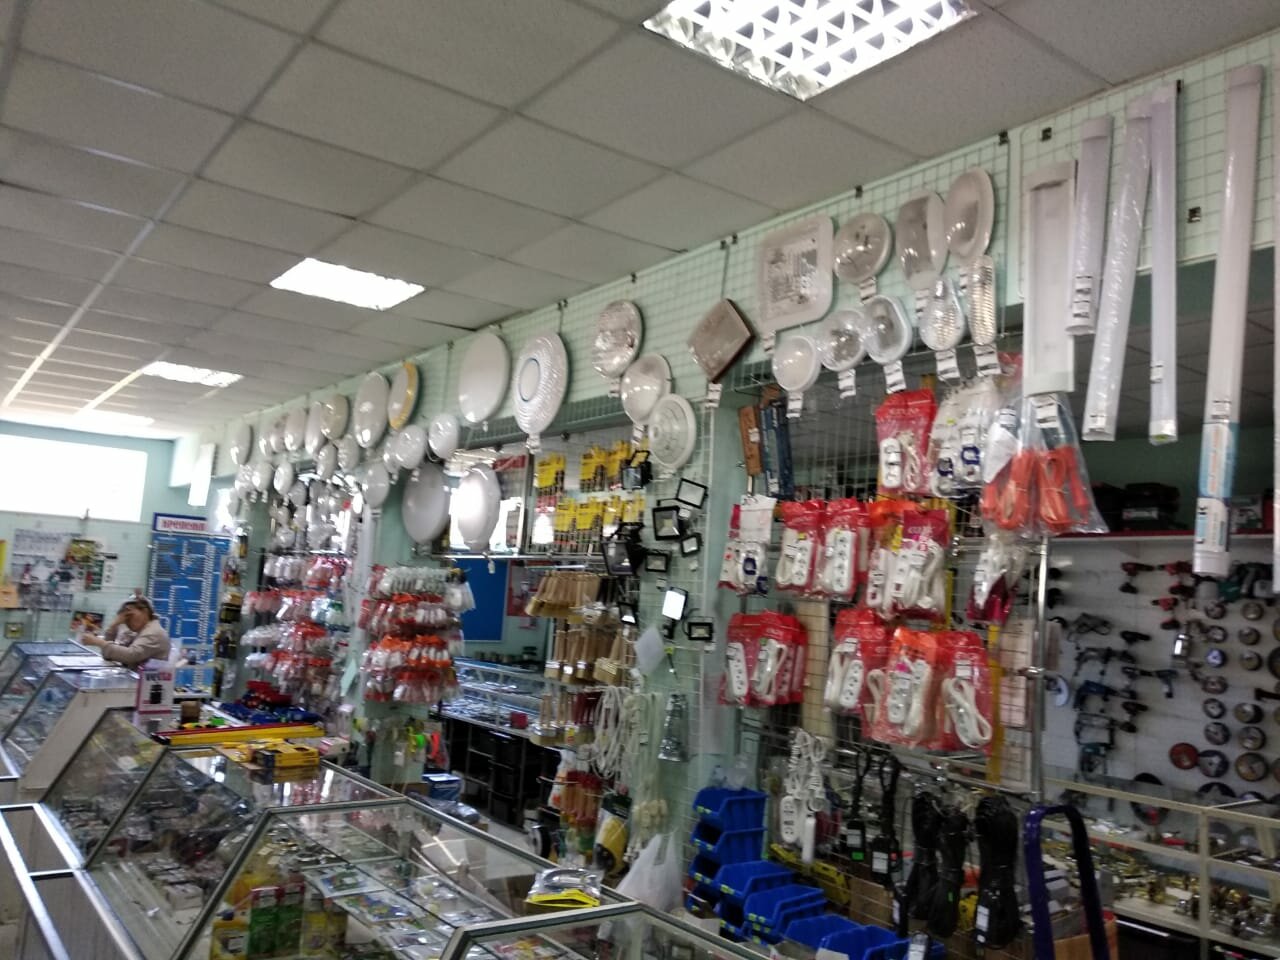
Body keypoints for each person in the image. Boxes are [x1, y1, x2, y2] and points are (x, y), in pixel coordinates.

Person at [80, 597, 171, 668]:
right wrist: (114, 625)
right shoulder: (139, 632)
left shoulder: (154, 632)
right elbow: (111, 655)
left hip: (145, 684)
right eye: (125, 618)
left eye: (130, 615)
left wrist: (98, 642)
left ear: (145, 611)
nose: (127, 621)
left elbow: (130, 655)